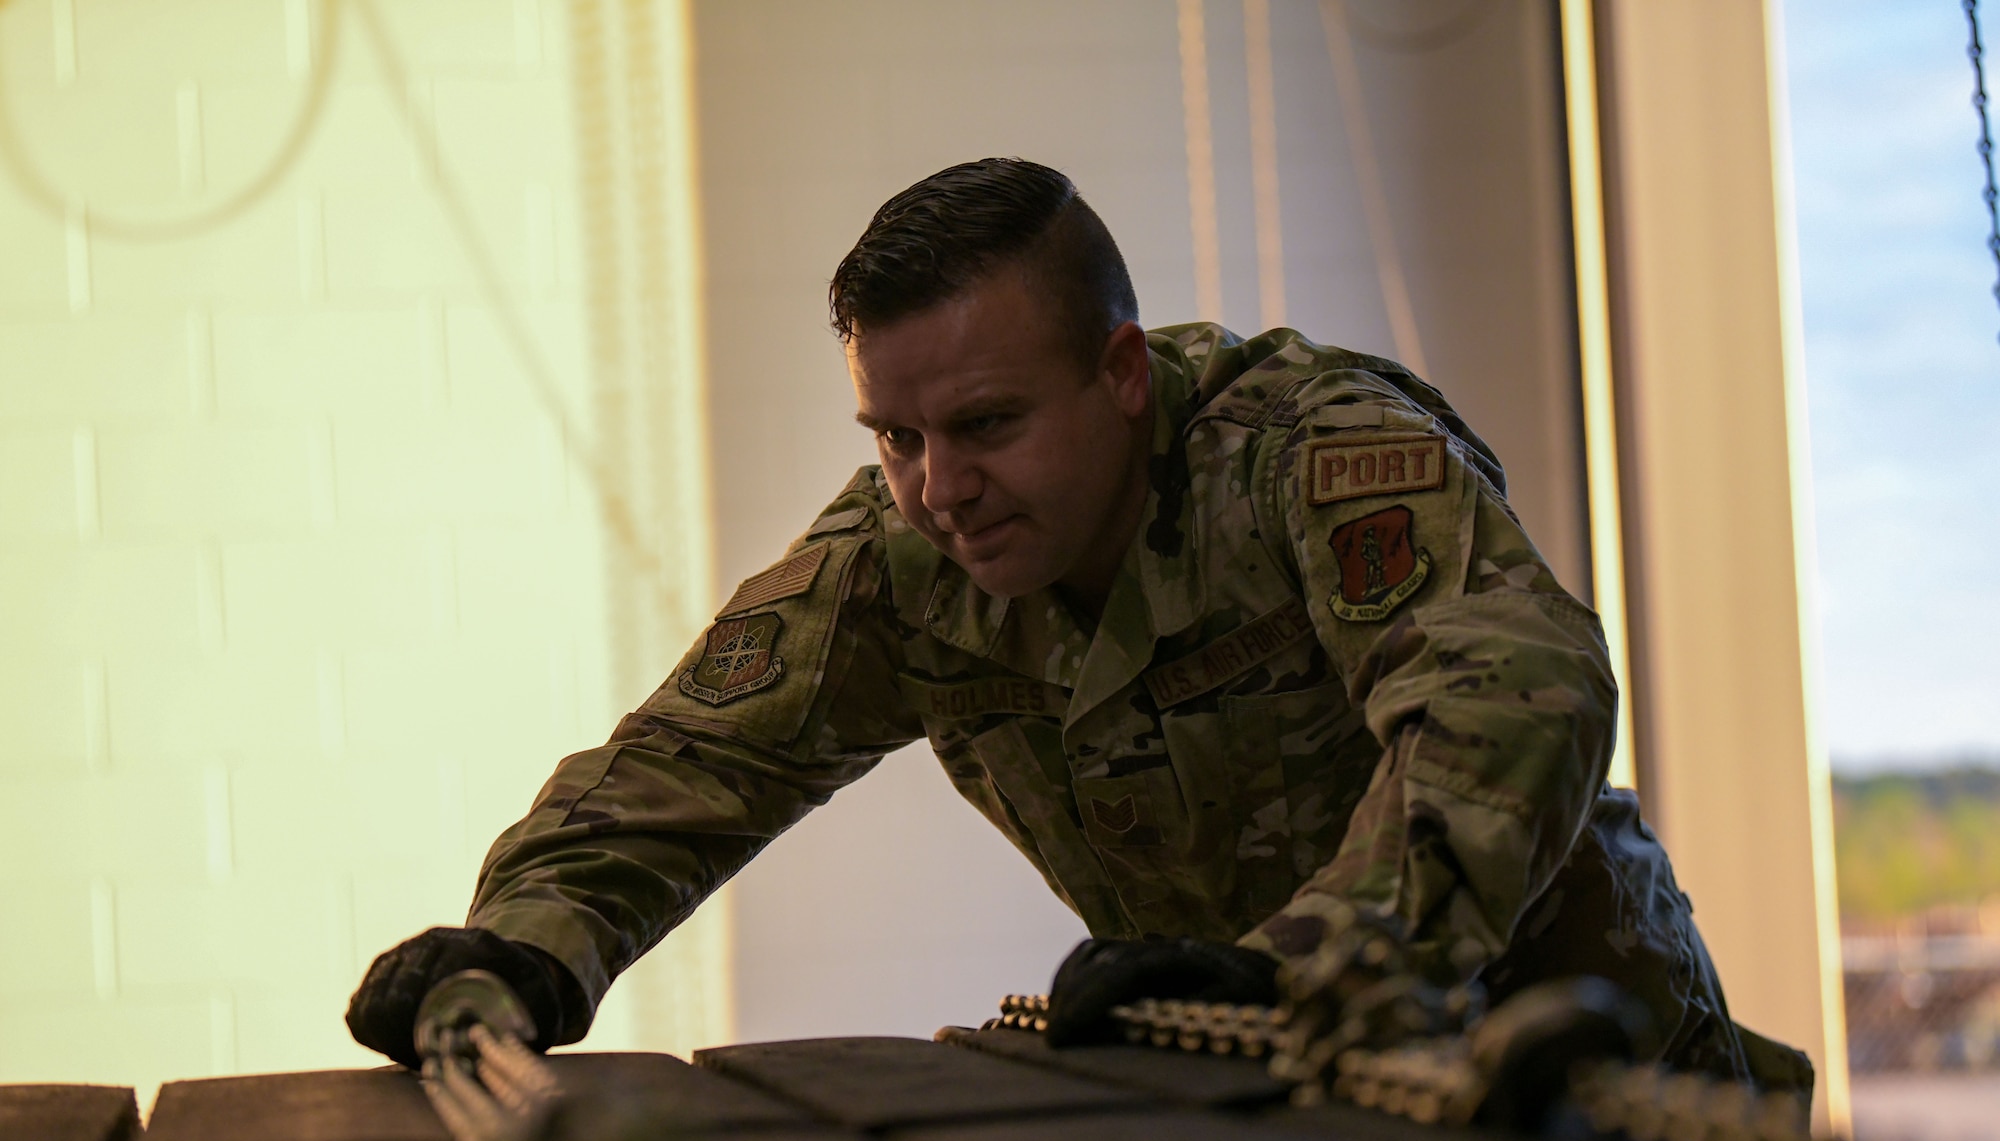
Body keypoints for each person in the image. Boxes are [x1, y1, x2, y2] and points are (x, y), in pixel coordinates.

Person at [346, 158, 1809, 1093]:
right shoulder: (906, 552)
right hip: (1285, 1099)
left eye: (984, 423)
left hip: (1593, 1073)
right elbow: (689, 765)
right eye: (894, 436)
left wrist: (1313, 959)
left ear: (1120, 371)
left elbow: (1514, 689)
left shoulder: (1307, 450)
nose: (938, 488)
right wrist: (528, 949)